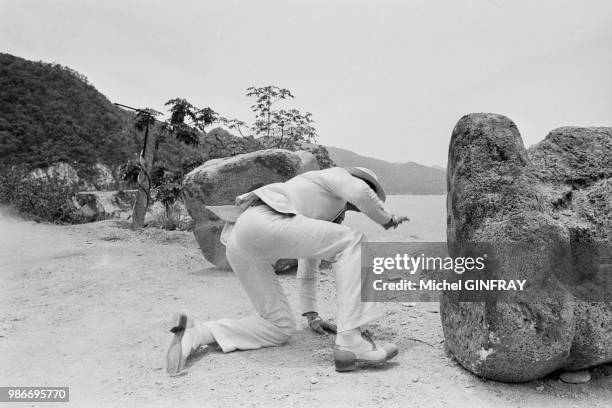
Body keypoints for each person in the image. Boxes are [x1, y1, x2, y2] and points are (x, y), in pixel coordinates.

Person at [166, 166, 409, 374]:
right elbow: (359, 191)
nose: (353, 209)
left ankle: (198, 333)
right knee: (355, 241)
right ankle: (351, 342)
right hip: (264, 220)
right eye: (359, 204)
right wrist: (387, 218)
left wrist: (312, 314)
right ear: (360, 181)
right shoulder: (337, 175)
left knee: (279, 327)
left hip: (240, 240)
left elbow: (309, 259)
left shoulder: (317, 202)